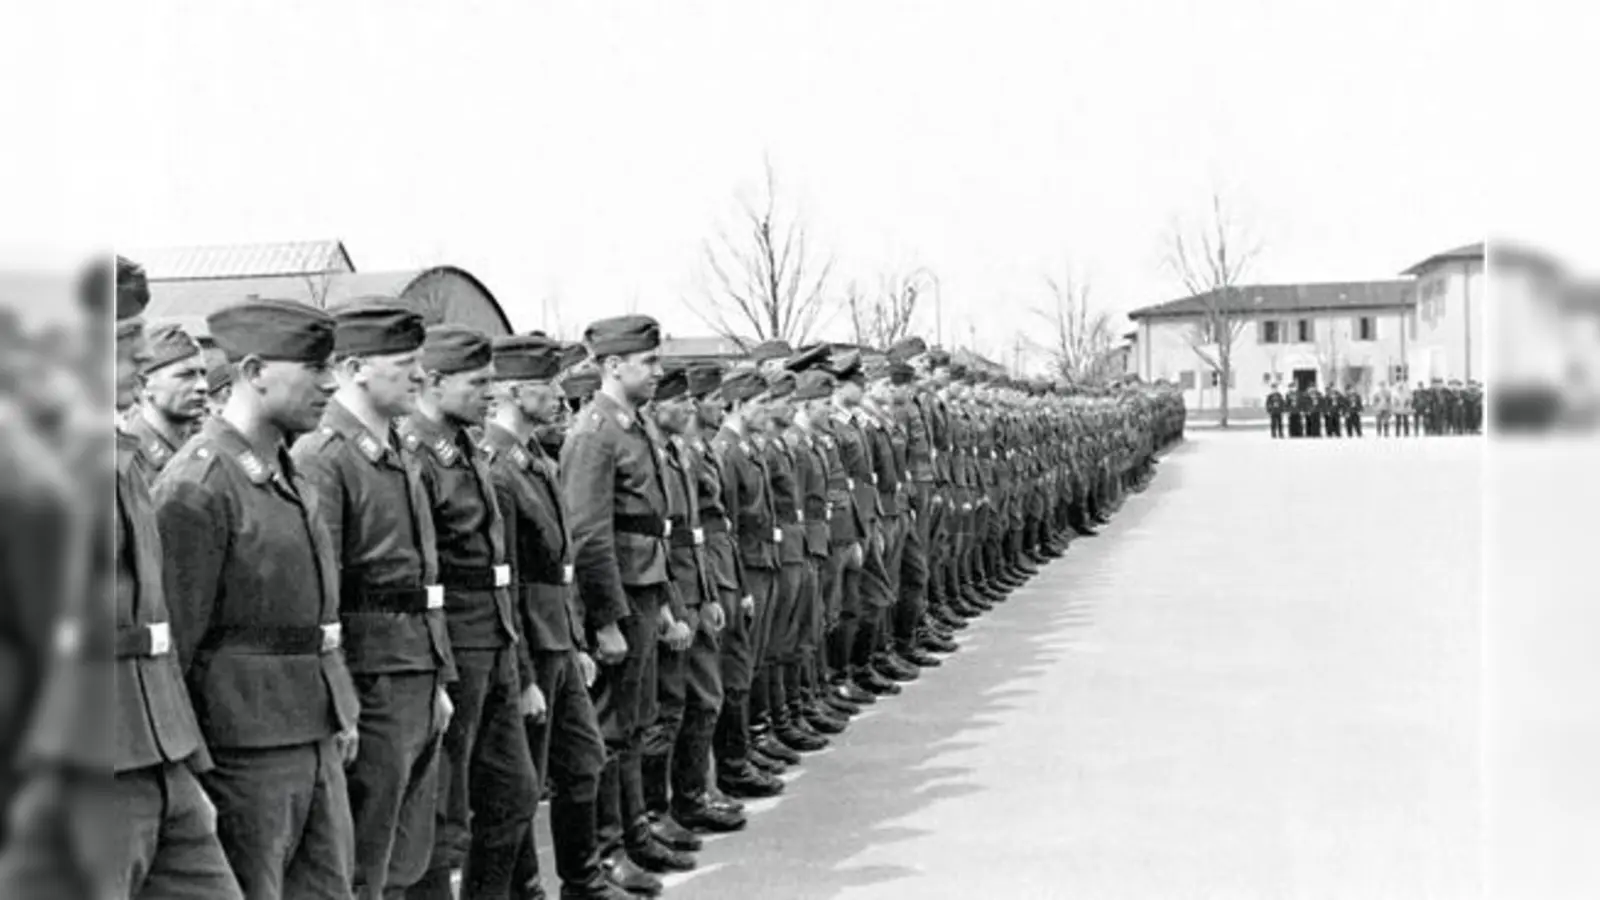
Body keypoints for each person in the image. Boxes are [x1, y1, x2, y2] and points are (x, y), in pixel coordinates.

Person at [0, 257, 243, 898]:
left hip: (157, 760)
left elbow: (151, 627)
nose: (139, 360)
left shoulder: (118, 456)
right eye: (124, 344)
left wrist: (185, 767)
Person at [152, 298, 361, 899]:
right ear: (252, 372)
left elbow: (315, 614)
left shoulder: (285, 471)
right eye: (313, 367)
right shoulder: (198, 486)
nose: (329, 383)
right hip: (244, 750)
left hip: (311, 730)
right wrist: (191, 774)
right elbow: (176, 649)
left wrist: (338, 707)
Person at [291, 301, 457, 900]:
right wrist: (341, 701)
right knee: (362, 855)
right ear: (356, 367)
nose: (419, 375)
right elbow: (320, 596)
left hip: (413, 669)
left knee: (407, 848)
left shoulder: (397, 448)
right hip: (370, 678)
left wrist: (437, 676)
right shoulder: (325, 455)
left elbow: (425, 578)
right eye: (406, 363)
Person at [485, 334, 635, 900]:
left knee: (583, 761)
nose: (558, 395)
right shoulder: (499, 468)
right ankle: (529, 890)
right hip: (531, 643)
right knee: (521, 783)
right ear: (511, 390)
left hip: (558, 637)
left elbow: (561, 568)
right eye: (546, 384)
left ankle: (583, 878)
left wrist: (574, 639)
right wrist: (523, 673)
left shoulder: (536, 463)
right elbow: (512, 583)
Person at [401, 325, 540, 899]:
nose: (491, 391)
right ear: (434, 382)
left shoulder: (467, 449)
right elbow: (423, 573)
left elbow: (499, 565)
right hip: (454, 648)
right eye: (478, 382)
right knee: (443, 814)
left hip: (495, 641)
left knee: (514, 794)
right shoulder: (416, 456)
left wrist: (521, 664)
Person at [561, 315, 697, 884]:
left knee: (637, 723)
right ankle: (609, 848)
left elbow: (649, 526)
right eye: (648, 362)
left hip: (644, 591)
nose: (657, 371)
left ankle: (636, 832)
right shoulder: (594, 432)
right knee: (613, 731)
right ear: (613, 366)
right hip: (618, 600)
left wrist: (662, 604)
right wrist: (606, 619)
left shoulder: (631, 426)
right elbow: (590, 535)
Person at [124, 323, 208, 480]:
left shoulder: (206, 448)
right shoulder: (126, 462)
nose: (203, 386)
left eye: (203, 374)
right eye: (186, 375)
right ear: (143, 384)